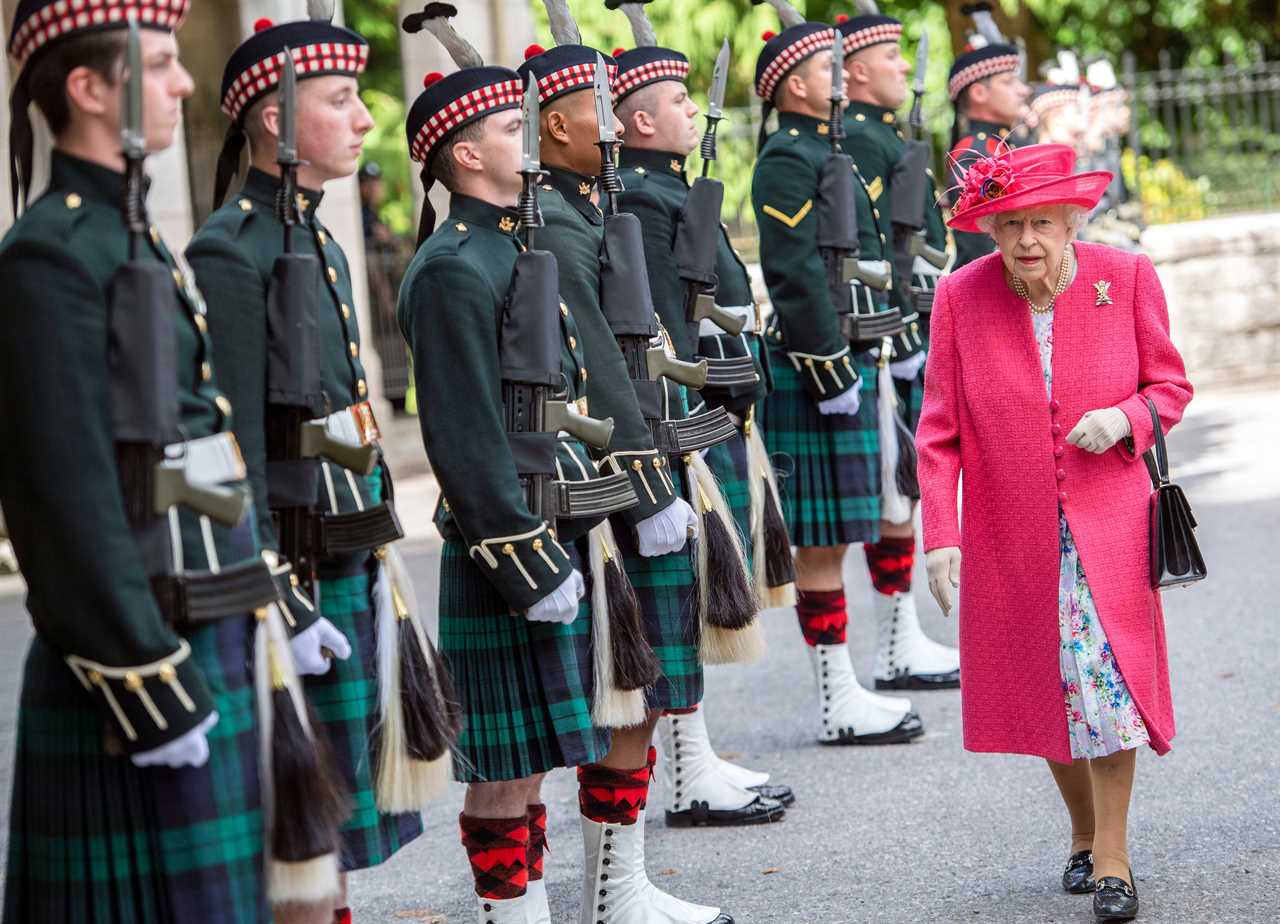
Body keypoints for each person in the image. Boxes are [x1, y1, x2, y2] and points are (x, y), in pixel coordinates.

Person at [0, 2, 339, 919]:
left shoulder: (131, 231)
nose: (184, 81)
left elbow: (194, 456)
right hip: (142, 649)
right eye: (157, 66)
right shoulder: (49, 256)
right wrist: (141, 671)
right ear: (87, 88)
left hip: (212, 616)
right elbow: (61, 497)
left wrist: (265, 590)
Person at [187, 14, 424, 923]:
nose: (365, 120)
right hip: (293, 570)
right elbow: (235, 447)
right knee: (296, 838)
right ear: (277, 121)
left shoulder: (316, 238)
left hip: (344, 552)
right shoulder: (229, 248)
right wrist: (276, 603)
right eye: (340, 101)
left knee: (328, 834)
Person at [918, 143, 1193, 922]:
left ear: (1074, 220)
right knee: (1048, 691)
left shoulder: (1126, 276)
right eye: (1008, 225)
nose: (1026, 240)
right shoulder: (960, 298)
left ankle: (1112, 855)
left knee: (1107, 691)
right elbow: (938, 431)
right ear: (989, 229)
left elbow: (1170, 386)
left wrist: (1128, 417)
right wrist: (943, 532)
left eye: (1041, 222)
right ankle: (1080, 831)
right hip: (1013, 536)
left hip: (1110, 527)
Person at [518, 8, 732, 920]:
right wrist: (646, 482)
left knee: (639, 687)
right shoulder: (559, 220)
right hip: (605, 477)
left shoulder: (594, 204)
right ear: (555, 122)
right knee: (620, 691)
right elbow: (599, 356)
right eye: (595, 105)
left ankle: (621, 886)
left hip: (640, 454)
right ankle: (609, 891)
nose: (614, 121)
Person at [610, 27, 793, 827]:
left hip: (709, 399)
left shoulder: (674, 188)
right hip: (679, 410)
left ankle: (696, 759)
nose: (693, 108)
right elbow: (663, 324)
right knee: (680, 599)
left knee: (694, 591)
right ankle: (685, 775)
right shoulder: (643, 199)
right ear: (640, 122)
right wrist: (705, 388)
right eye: (678, 100)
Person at [751, 10, 924, 745]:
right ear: (796, 84)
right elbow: (793, 271)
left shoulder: (825, 145)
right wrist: (828, 369)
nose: (839, 79)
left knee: (855, 525)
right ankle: (835, 695)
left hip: (858, 350)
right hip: (818, 363)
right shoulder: (788, 156)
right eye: (827, 69)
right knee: (820, 543)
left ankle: (852, 682)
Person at [836, 8, 961, 690]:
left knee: (903, 494)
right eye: (891, 57)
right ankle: (894, 643)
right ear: (854, 71)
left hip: (910, 324)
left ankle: (900, 639)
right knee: (895, 492)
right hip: (887, 332)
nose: (905, 67)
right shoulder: (856, 141)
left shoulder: (883, 137)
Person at [946, 41, 1030, 268]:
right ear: (979, 92)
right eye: (1008, 82)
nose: (1024, 90)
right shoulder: (976, 155)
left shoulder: (999, 148)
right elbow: (980, 245)